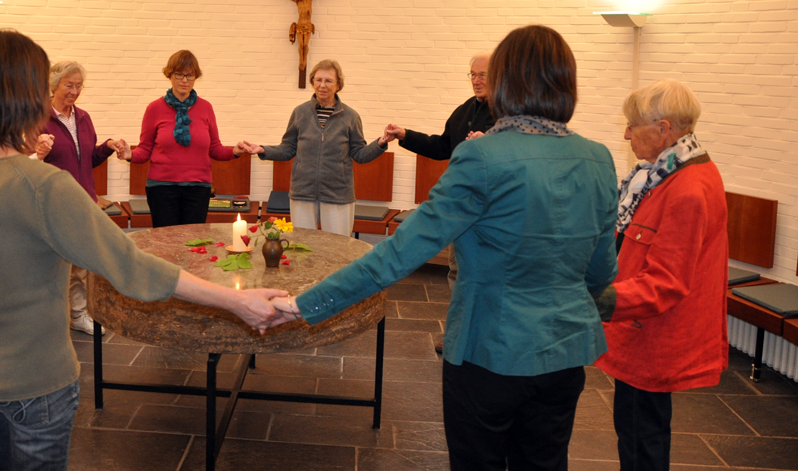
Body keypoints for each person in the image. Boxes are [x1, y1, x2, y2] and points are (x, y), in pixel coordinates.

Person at [0, 29, 287, 471]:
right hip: (32, 380)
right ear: (29, 95)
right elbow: (130, 266)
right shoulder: (42, 185)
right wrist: (237, 300)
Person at [270, 26, 619, 471]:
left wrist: (303, 304)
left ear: (504, 83)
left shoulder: (483, 157)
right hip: (566, 352)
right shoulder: (598, 157)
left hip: (488, 351)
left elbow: (398, 256)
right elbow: (600, 273)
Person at [595, 80, 729, 471]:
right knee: (638, 431)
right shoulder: (665, 174)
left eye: (632, 125)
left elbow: (667, 281)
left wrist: (599, 300)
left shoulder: (687, 187)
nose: (626, 134)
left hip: (653, 333)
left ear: (663, 129)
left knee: (642, 439)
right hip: (642, 327)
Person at [381, 51, 496, 353]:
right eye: (472, 74)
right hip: (462, 206)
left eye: (483, 74)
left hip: (492, 212)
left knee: (486, 275)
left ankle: (481, 336)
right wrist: (405, 135)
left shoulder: (510, 115)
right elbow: (441, 146)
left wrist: (491, 142)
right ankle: (460, 331)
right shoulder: (464, 111)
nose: (476, 80)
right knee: (458, 271)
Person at [242, 59, 387, 237]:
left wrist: (380, 143)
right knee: (303, 248)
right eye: (318, 80)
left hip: (337, 194)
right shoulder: (300, 113)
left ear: (338, 84)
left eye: (328, 81)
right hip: (303, 192)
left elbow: (359, 154)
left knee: (337, 250)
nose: (322, 85)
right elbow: (288, 149)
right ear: (312, 82)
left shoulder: (350, 116)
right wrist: (263, 150)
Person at [38, 61, 128, 334]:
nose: (75, 91)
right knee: (52, 266)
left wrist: (107, 147)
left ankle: (77, 315)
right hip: (53, 203)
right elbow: (27, 163)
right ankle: (46, 320)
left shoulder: (83, 118)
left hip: (84, 200)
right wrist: (39, 152)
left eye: (79, 86)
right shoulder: (37, 118)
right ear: (54, 85)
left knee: (79, 266)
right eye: (69, 85)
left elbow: (87, 160)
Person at [121, 50, 245, 228]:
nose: (185, 80)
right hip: (161, 188)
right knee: (165, 244)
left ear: (196, 77)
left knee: (193, 244)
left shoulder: (206, 108)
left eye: (190, 75)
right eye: (179, 74)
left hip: (198, 189)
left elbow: (215, 148)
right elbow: (145, 150)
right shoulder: (154, 108)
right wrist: (130, 155)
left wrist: (235, 151)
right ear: (170, 75)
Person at [267, 0, 339, 77]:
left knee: (305, 45)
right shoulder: (297, 1)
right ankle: (301, 60)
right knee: (301, 45)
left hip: (308, 25)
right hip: (300, 25)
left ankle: (305, 59)